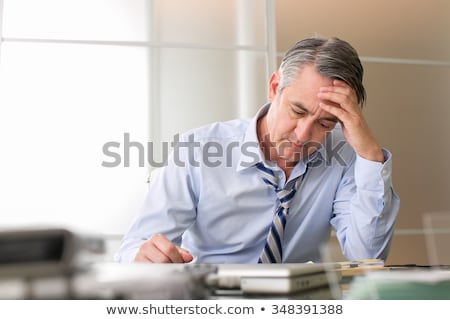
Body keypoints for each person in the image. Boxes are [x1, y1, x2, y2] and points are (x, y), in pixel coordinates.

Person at [115, 36, 400, 264]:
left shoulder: (348, 155)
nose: (303, 135)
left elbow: (367, 257)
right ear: (275, 87)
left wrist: (370, 156)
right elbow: (134, 247)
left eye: (325, 123)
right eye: (297, 110)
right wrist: (145, 258)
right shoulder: (197, 150)